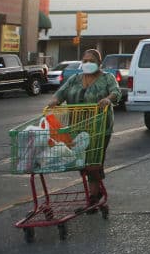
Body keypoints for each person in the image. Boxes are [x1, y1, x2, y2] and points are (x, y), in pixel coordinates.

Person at [48, 48, 120, 207]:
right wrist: (54, 101)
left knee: (93, 161)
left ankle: (93, 198)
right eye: (85, 61)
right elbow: (60, 93)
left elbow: (116, 92)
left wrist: (108, 99)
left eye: (91, 61)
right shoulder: (75, 79)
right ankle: (96, 191)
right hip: (78, 126)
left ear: (99, 63)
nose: (87, 64)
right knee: (82, 161)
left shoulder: (107, 78)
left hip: (100, 127)